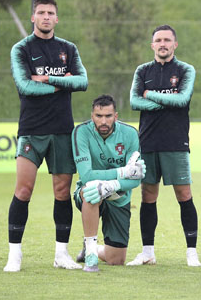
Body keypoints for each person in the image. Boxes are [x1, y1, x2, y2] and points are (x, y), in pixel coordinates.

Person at [4, 0, 88, 272]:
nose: (46, 17)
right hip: (31, 130)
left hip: (63, 131)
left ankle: (60, 254)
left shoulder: (68, 48)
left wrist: (49, 79)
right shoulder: (21, 49)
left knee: (62, 192)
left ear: (56, 18)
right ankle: (14, 255)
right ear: (33, 17)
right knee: (24, 189)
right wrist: (62, 84)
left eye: (51, 12)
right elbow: (26, 87)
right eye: (41, 12)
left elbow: (83, 81)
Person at [129, 25, 201, 267]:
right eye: (158, 40)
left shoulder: (185, 70)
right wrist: (164, 101)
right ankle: (148, 252)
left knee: (184, 194)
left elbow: (182, 100)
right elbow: (133, 101)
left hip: (176, 142)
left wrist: (151, 95)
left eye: (167, 40)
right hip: (147, 142)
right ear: (152, 45)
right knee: (148, 196)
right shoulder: (142, 71)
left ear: (175, 44)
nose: (162, 44)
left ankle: (192, 252)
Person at [72, 95, 145, 272]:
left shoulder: (130, 134)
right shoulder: (81, 132)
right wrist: (121, 173)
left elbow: (136, 178)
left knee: (117, 259)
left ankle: (93, 249)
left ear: (116, 116)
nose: (103, 121)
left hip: (119, 196)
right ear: (92, 116)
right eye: (99, 116)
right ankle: (90, 254)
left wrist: (113, 185)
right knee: (92, 190)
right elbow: (87, 175)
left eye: (108, 116)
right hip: (89, 193)